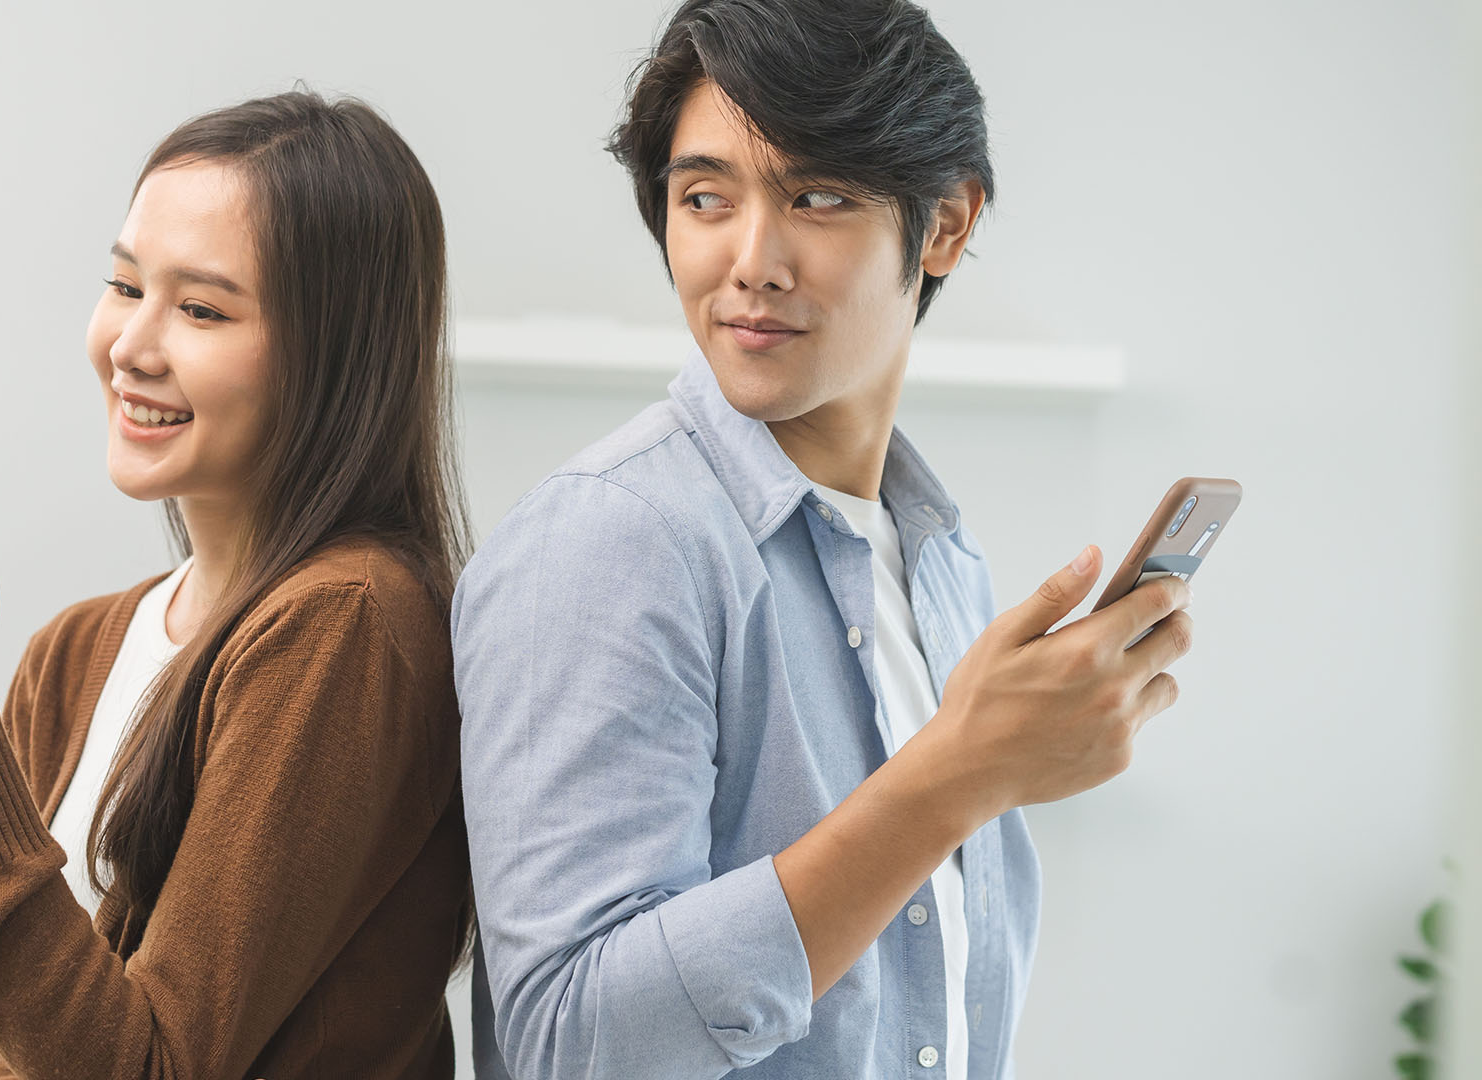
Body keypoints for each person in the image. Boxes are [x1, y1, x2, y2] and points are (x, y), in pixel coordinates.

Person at [451, 2, 1194, 1078]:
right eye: (705, 197)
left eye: (817, 196)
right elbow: (573, 1043)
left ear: (943, 223)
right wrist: (954, 779)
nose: (751, 261)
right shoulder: (611, 542)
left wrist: (977, 771)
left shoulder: (943, 560)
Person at [0, 89, 475, 1079]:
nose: (131, 346)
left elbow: (148, 1067)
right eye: (127, 287)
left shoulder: (347, 622)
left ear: (337, 356)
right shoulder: (78, 650)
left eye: (203, 309)